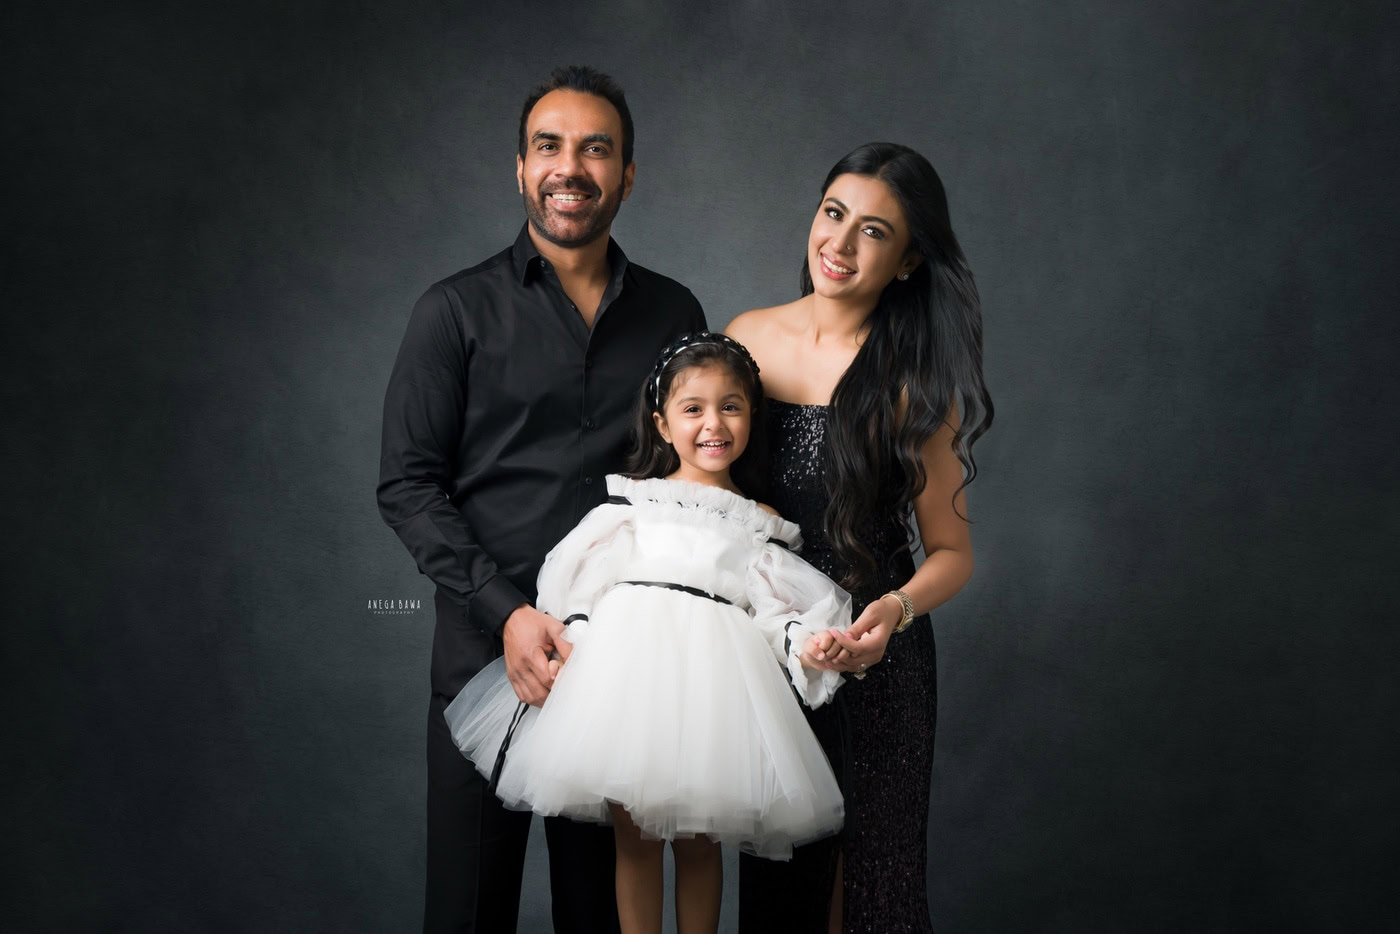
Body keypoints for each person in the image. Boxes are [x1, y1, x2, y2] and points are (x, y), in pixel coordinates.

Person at [377, 65, 706, 933]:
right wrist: (507, 613)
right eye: (549, 146)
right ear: (519, 169)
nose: (572, 166)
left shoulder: (677, 315)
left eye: (597, 148)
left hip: (619, 672)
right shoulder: (452, 312)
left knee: (599, 916)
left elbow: (695, 481)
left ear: (628, 174)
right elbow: (408, 486)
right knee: (467, 913)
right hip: (485, 662)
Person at [442, 333, 851, 934]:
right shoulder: (634, 506)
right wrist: (574, 647)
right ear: (661, 424)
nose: (714, 424)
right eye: (693, 408)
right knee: (633, 843)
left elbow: (774, 607)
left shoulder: (756, 524)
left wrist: (804, 641)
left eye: (731, 406)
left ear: (752, 416)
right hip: (629, 687)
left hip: (714, 697)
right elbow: (577, 584)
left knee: (698, 844)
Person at [726, 142, 994, 932]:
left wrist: (893, 615)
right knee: (780, 888)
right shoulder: (746, 337)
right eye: (833, 214)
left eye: (873, 232)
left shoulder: (916, 380)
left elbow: (953, 553)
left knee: (867, 886)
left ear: (909, 260)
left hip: (880, 661)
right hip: (768, 648)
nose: (838, 246)